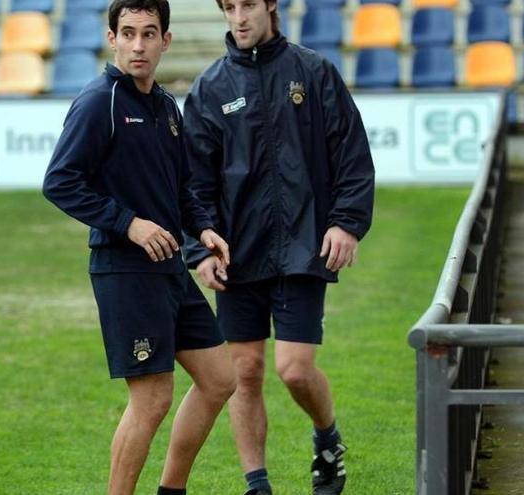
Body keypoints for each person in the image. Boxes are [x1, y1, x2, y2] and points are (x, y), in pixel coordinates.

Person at [42, 1, 236, 494]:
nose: (138, 45)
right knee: (151, 399)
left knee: (219, 378)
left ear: (165, 41)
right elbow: (60, 181)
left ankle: (172, 489)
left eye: (149, 34)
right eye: (128, 33)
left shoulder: (167, 107)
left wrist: (204, 229)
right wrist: (127, 224)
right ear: (112, 38)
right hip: (125, 270)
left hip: (170, 267)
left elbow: (180, 188)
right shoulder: (98, 101)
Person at [182, 1, 375, 494]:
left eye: (249, 5)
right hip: (237, 255)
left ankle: (327, 437)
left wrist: (346, 224)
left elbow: (351, 154)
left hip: (303, 247)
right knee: (243, 372)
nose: (240, 17)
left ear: (270, 7)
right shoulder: (210, 88)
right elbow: (192, 183)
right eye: (230, 7)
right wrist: (199, 250)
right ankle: (257, 484)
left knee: (293, 370)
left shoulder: (314, 72)